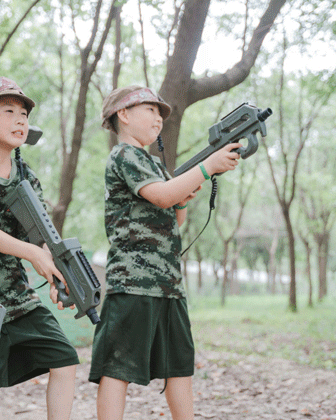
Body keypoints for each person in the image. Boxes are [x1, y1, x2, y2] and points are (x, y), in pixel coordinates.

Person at [88, 85, 242, 420]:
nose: (158, 118)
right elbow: (160, 196)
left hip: (167, 284)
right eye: (150, 110)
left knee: (180, 366)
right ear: (123, 115)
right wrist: (207, 167)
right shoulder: (124, 155)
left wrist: (184, 195)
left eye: (160, 112)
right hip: (132, 282)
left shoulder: (154, 163)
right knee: (117, 368)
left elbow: (174, 215)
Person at [0, 77, 79, 420]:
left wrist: (54, 274)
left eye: (23, 113)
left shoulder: (27, 178)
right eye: (8, 111)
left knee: (65, 360)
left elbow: (41, 238)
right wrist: (33, 253)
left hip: (18, 298)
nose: (20, 120)